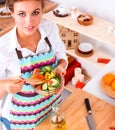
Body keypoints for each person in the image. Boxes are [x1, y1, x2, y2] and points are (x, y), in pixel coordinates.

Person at [0, 0, 68, 129]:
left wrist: (60, 69)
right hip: (22, 119)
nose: (29, 21)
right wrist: (6, 86)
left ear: (42, 11)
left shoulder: (50, 28)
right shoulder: (3, 46)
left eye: (35, 12)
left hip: (51, 108)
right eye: (21, 14)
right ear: (12, 13)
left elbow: (61, 55)